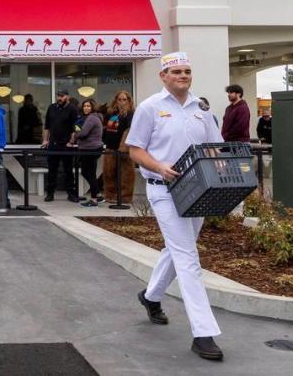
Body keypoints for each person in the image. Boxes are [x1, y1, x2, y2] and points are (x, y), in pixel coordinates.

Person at [126, 52, 225, 361]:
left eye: (187, 71)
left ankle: (151, 296)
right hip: (163, 190)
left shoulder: (202, 108)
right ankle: (203, 332)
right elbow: (135, 150)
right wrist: (158, 166)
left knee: (178, 247)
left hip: (197, 190)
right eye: (176, 71)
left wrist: (221, 164)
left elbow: (214, 146)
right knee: (187, 256)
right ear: (163, 76)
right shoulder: (149, 108)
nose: (183, 75)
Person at [42, 88, 78, 202]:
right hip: (53, 143)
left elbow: (75, 127)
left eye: (62, 96)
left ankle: (71, 193)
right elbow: (47, 126)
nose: (59, 98)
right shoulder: (52, 107)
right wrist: (45, 140)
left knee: (68, 170)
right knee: (52, 170)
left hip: (66, 144)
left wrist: (71, 141)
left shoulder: (72, 109)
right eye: (58, 96)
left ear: (67, 97)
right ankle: (50, 193)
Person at [102, 91, 136, 204]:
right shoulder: (111, 112)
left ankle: (125, 197)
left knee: (126, 174)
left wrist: (124, 146)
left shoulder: (130, 113)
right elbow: (105, 127)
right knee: (108, 173)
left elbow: (130, 129)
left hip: (124, 149)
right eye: (119, 99)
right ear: (116, 100)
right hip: (110, 147)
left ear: (129, 101)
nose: (122, 102)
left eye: (124, 99)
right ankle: (110, 195)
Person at [71, 98, 104, 207]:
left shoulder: (92, 118)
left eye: (88, 106)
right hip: (90, 148)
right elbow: (79, 129)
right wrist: (78, 132)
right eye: (84, 106)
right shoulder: (89, 118)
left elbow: (83, 133)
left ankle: (94, 199)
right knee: (90, 173)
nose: (86, 108)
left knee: (87, 172)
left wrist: (76, 134)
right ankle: (98, 194)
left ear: (93, 107)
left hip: (91, 149)